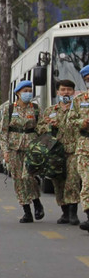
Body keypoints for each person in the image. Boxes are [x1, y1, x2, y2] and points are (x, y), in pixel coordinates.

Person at [0, 80, 43, 223]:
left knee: (28, 176)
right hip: (14, 149)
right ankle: (26, 211)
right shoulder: (9, 109)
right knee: (18, 180)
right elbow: (3, 132)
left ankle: (36, 202)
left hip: (32, 148)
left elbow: (41, 128)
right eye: (25, 91)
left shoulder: (35, 109)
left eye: (30, 91)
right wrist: (5, 151)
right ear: (17, 93)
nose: (28, 93)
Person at [36, 80, 80, 224]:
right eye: (63, 90)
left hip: (74, 150)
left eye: (68, 90)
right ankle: (64, 212)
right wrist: (49, 125)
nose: (66, 92)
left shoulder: (78, 109)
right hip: (55, 152)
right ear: (58, 92)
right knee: (58, 182)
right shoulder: (50, 110)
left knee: (72, 181)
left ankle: (73, 213)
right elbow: (40, 129)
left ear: (73, 92)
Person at [64, 66, 89, 229]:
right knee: (87, 183)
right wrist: (82, 123)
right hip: (84, 147)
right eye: (87, 80)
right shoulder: (79, 101)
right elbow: (70, 121)